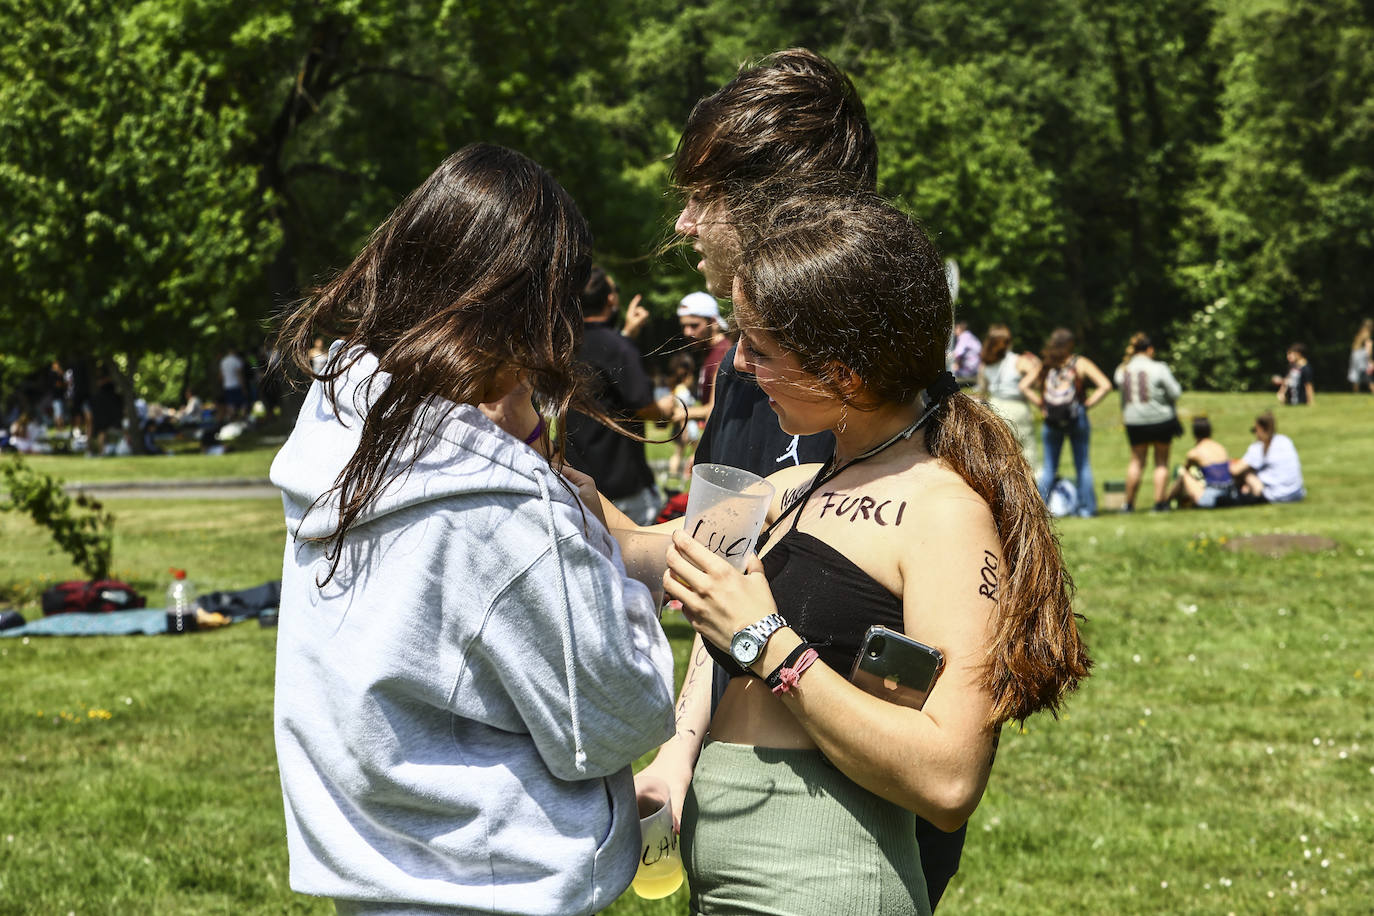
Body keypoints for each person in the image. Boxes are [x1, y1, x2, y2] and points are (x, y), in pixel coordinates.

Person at [621, 192, 1089, 916]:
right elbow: (646, 550)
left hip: (826, 887)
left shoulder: (943, 514)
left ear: (844, 374)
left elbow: (949, 781)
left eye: (761, 349)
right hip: (729, 885)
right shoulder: (792, 484)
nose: (740, 365)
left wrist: (769, 643)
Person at [268, 144, 676, 915]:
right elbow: (619, 715)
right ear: (534, 309)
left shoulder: (340, 425)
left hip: (380, 872)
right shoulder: (497, 506)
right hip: (492, 887)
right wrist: (609, 569)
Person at [669, 49, 972, 908]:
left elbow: (945, 747)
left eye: (703, 199)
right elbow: (721, 577)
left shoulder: (891, 408)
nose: (686, 226)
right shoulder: (744, 370)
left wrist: (771, 647)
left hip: (847, 851)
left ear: (773, 209)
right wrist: (681, 750)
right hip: (729, 834)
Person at [563, 266, 683, 525]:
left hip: (578, 480)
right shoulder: (617, 347)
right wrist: (667, 406)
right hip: (624, 484)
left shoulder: (566, 344)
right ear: (611, 299)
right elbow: (645, 407)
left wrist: (627, 335)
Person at [1020, 328, 1112, 518]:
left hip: (1051, 419)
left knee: (1049, 467)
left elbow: (1023, 386)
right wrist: (1087, 404)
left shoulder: (1046, 365)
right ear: (1071, 344)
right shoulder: (1080, 363)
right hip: (1077, 417)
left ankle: (1040, 510)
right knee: (1083, 465)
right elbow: (1105, 385)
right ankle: (1087, 509)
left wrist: (1040, 403)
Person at [1113, 333, 1183, 512]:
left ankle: (1128, 504)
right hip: (1161, 419)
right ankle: (1160, 503)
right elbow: (1175, 392)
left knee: (1136, 461)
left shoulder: (1123, 370)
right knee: (1161, 461)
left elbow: (1119, 385)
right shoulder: (1159, 367)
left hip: (1134, 421)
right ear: (1150, 349)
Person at [976, 323, 1039, 468]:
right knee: (1027, 453)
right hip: (1016, 406)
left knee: (1003, 454)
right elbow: (1037, 380)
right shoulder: (1019, 361)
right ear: (1009, 341)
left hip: (995, 406)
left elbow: (983, 391)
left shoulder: (985, 364)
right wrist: (1036, 363)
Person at [676, 291, 731, 426]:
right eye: (684, 326)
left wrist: (678, 412)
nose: (687, 332)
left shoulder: (723, 353)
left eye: (694, 325)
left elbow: (715, 409)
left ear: (712, 321)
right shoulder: (709, 352)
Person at [1230, 410, 1306, 503]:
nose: (1254, 434)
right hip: (1296, 493)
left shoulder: (1259, 447)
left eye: (1254, 430)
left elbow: (1234, 470)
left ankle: (1246, 493)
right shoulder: (1285, 440)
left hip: (1276, 495)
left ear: (1261, 429)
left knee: (1245, 473)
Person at [1167, 417, 1237, 509]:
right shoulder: (1221, 448)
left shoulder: (1194, 453)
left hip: (1211, 497)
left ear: (1194, 433)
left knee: (1183, 474)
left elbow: (1185, 471)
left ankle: (1165, 501)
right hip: (1231, 494)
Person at [667, 352, 701, 481]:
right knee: (696, 452)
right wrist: (684, 430)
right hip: (687, 427)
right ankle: (686, 473)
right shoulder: (683, 391)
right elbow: (683, 412)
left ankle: (675, 474)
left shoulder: (678, 389)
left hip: (682, 427)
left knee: (679, 452)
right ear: (687, 377)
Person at [1273, 342, 1315, 406]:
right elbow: (1288, 381)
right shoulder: (1292, 366)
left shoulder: (1306, 368)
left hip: (1300, 401)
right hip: (1290, 402)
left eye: (1291, 354)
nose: (1288, 357)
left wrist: (1310, 402)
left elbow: (1308, 385)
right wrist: (1281, 392)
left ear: (1299, 354)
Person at [948, 319, 981, 386]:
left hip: (970, 369)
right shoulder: (970, 336)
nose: (954, 331)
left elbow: (958, 353)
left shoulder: (964, 337)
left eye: (955, 329)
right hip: (976, 367)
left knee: (949, 370)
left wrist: (946, 357)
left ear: (960, 328)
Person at [1348, 319, 1372, 393]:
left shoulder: (1359, 333)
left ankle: (1356, 392)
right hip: (1361, 355)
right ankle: (1372, 389)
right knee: (1367, 373)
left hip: (1354, 354)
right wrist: (1370, 359)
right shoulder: (1366, 333)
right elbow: (1368, 346)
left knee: (1355, 374)